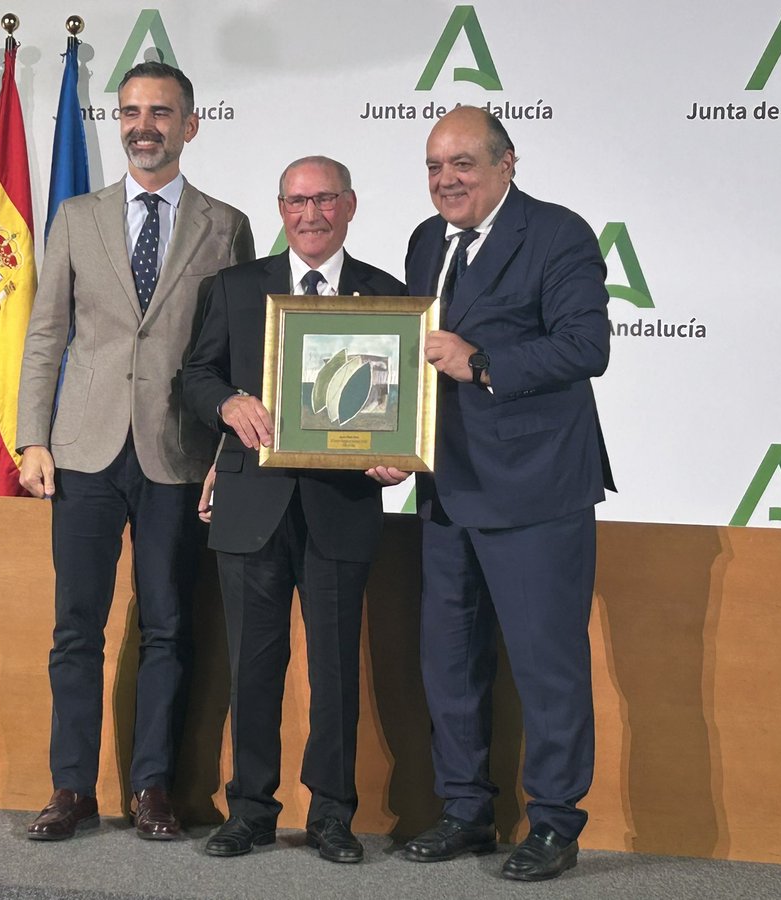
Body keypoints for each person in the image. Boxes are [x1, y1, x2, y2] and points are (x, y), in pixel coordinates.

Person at [16, 61, 253, 842]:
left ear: (191, 124)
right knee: (75, 628)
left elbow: (235, 355)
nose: (143, 125)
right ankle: (70, 788)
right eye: (130, 112)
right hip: (82, 450)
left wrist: (226, 452)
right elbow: (48, 332)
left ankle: (153, 787)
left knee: (169, 626)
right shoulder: (78, 217)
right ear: (118, 123)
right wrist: (32, 437)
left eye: (161, 112)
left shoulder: (226, 225)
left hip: (176, 453)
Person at [401, 106, 615, 880]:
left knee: (546, 664)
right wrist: (398, 443)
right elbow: (414, 363)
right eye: (434, 166)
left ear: (506, 163)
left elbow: (587, 347)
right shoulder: (427, 242)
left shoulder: (558, 234)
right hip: (446, 488)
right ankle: (465, 810)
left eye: (462, 163)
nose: (446, 180)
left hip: (536, 492)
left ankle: (556, 823)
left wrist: (481, 360)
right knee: (449, 662)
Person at [182, 156, 406, 863]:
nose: (310, 214)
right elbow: (195, 375)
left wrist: (398, 452)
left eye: (325, 200)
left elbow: (406, 407)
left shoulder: (389, 295)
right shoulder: (235, 287)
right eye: (297, 201)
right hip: (254, 505)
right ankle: (249, 808)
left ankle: (333, 815)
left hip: (342, 505)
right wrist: (227, 402)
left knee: (336, 670)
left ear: (350, 205)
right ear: (281, 209)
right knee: (253, 665)